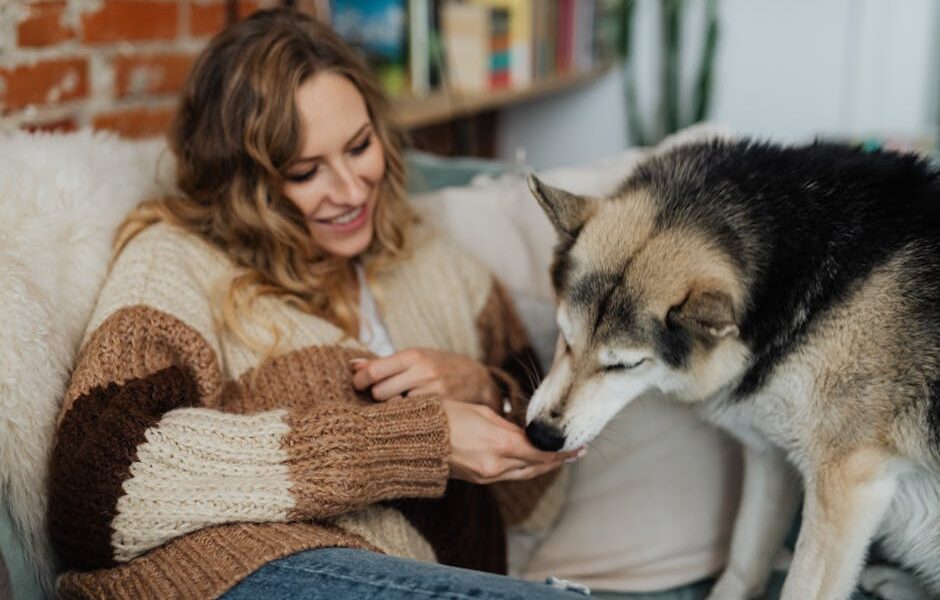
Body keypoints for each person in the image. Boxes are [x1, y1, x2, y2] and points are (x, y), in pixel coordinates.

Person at [45, 8, 585, 599]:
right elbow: (94, 490)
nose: (351, 191)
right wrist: (414, 442)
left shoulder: (440, 268)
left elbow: (538, 503)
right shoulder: (179, 259)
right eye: (306, 172)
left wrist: (482, 389)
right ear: (244, 183)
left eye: (359, 147)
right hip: (231, 575)